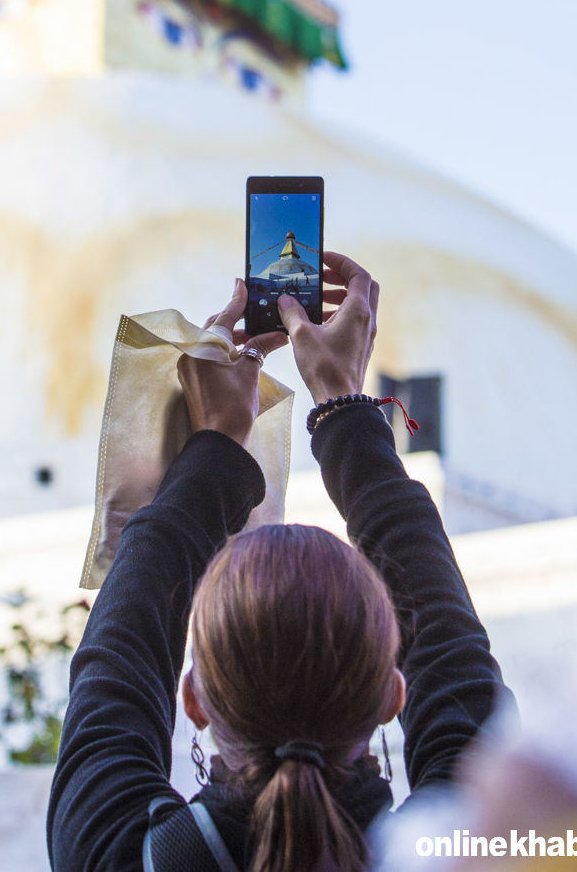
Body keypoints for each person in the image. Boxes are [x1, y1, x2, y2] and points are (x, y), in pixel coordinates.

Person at [47, 253, 513, 872]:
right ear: (391, 696)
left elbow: (116, 658)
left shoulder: (115, 856)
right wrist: (343, 407)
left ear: (195, 700)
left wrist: (216, 440)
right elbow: (453, 655)